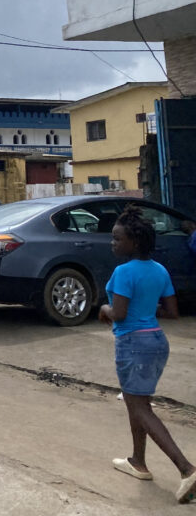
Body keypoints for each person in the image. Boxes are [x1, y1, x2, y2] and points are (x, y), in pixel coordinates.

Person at [99, 205, 196, 503]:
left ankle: (187, 469)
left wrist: (104, 310)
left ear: (134, 243)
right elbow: (172, 312)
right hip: (156, 341)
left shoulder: (123, 271)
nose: (113, 243)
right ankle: (137, 462)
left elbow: (119, 312)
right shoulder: (159, 270)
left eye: (117, 239)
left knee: (141, 408)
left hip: (133, 345)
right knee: (135, 403)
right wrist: (145, 310)